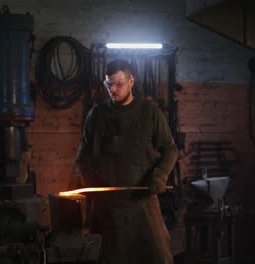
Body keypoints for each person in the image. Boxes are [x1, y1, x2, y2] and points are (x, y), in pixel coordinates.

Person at [68, 58, 178, 263]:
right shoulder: (97, 115)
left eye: (119, 84)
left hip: (142, 205)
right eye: (109, 84)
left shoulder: (149, 112)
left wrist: (159, 176)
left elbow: (170, 149)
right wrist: (80, 179)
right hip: (105, 210)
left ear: (131, 82)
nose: (114, 89)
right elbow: (83, 156)